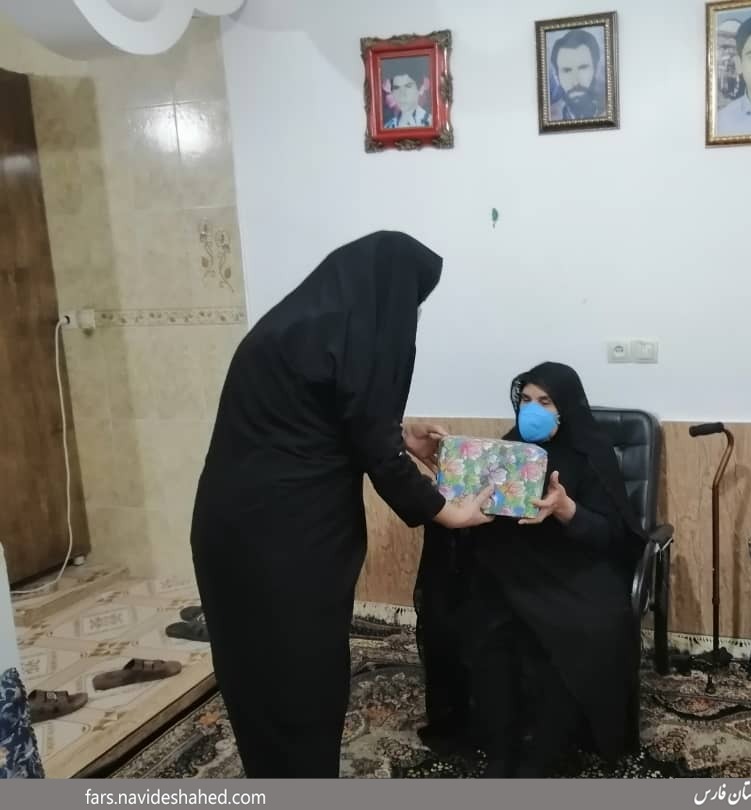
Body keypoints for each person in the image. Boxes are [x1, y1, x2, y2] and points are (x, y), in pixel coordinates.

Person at [189, 231, 493, 778]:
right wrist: (447, 512)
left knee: (265, 680)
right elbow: (371, 444)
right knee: (298, 684)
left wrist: (400, 434)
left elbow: (327, 417)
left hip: (243, 530)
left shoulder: (302, 324)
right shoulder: (341, 334)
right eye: (412, 301)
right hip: (280, 542)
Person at [415, 362, 646, 777]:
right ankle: (499, 746)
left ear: (565, 409)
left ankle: (544, 751)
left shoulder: (591, 455)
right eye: (525, 400)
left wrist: (566, 509)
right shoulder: (508, 450)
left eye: (545, 401)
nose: (532, 410)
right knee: (478, 624)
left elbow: (612, 535)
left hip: (574, 570)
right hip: (508, 566)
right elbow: (477, 509)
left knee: (581, 631)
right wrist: (452, 479)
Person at [549, 29, 605, 121]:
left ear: (596, 69)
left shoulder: (609, 110)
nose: (575, 82)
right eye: (567, 71)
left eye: (583, 68)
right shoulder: (550, 116)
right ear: (556, 76)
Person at [385, 58, 432, 128]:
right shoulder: (388, 127)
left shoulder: (431, 122)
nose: (402, 94)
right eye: (396, 88)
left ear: (421, 89)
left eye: (408, 86)